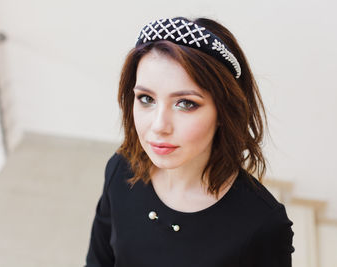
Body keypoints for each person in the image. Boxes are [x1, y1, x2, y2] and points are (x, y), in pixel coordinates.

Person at [85, 17, 295, 267]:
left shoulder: (262, 224)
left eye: (186, 103)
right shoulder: (121, 170)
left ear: (223, 112)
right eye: (146, 99)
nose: (159, 125)